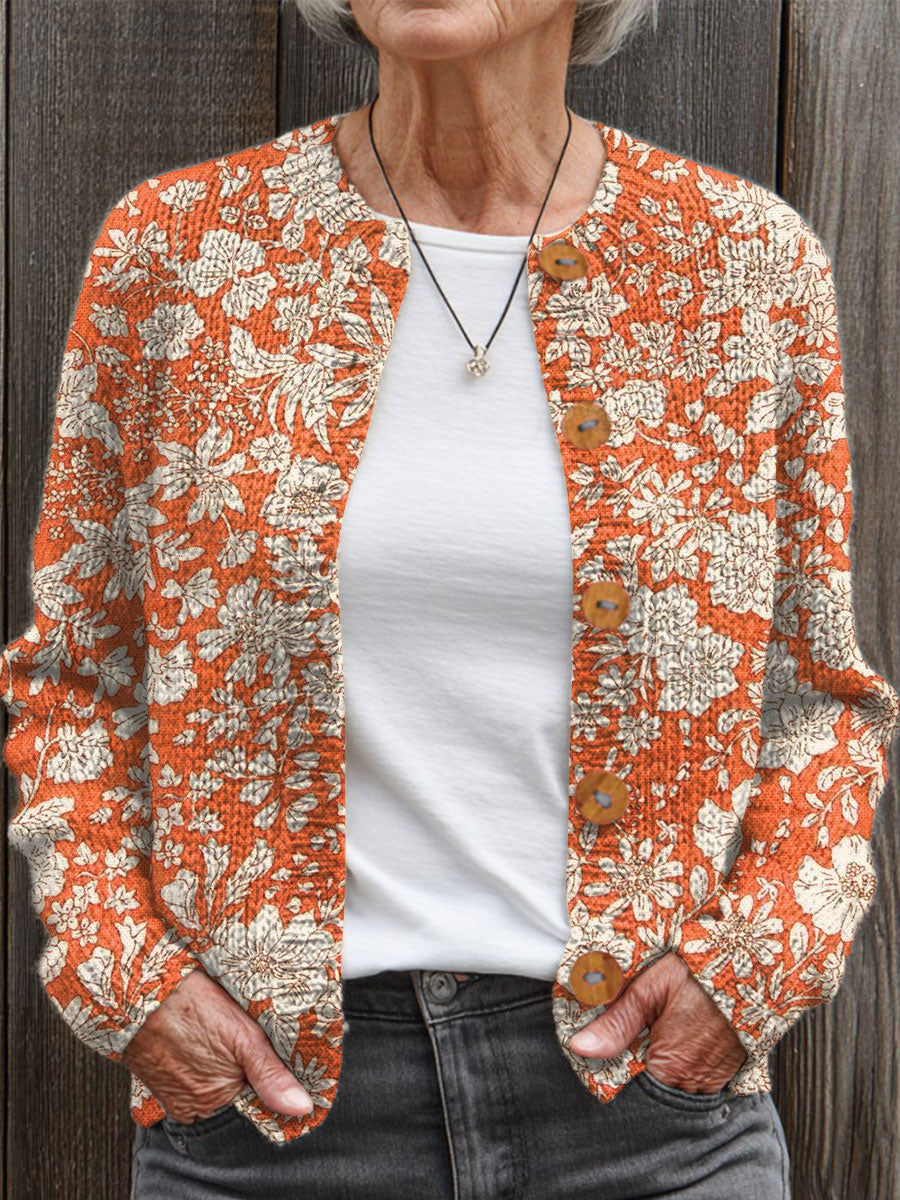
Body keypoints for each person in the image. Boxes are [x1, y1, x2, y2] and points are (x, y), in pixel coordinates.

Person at [3, 1, 894, 1197]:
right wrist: (128, 977)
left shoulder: (742, 266)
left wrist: (749, 976)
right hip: (268, 1122)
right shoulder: (182, 253)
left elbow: (818, 698)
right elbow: (76, 677)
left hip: (651, 1118)